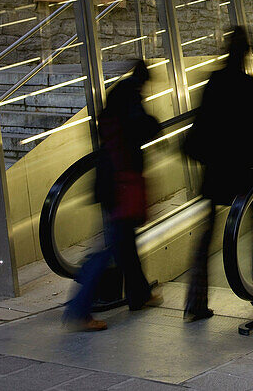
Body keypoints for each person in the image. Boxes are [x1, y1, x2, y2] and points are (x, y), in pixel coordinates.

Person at [63, 61, 163, 332]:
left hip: (111, 181)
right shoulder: (131, 97)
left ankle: (139, 295)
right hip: (120, 184)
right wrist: (156, 125)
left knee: (126, 245)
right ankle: (78, 310)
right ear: (143, 80)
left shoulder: (116, 97)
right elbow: (142, 126)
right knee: (108, 249)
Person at [182, 26, 253, 322]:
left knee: (206, 237)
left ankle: (195, 301)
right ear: (246, 53)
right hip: (242, 170)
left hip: (216, 169)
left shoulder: (214, 82)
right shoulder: (249, 87)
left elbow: (202, 122)